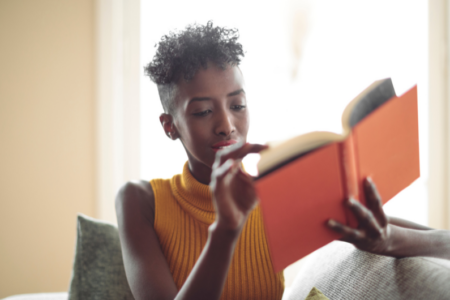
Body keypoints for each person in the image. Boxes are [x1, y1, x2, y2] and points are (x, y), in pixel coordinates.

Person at [115, 22, 450, 300]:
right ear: (169, 125)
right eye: (203, 111)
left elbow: (441, 241)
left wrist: (387, 240)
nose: (226, 126)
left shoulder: (276, 195)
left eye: (237, 105)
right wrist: (227, 230)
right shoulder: (140, 201)